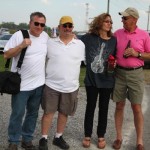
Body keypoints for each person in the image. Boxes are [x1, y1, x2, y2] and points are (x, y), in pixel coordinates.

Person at [3, 12, 49, 150]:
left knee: (33, 114)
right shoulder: (19, 35)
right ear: (30, 23)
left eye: (42, 24)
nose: (39, 27)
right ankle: (13, 141)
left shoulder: (45, 37)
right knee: (17, 113)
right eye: (36, 23)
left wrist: (73, 37)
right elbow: (6, 55)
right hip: (21, 85)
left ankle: (27, 139)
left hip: (38, 84)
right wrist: (21, 46)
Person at [38, 16, 85, 150]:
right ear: (59, 27)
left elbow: (87, 61)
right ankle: (44, 138)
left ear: (73, 28)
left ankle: (58, 137)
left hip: (71, 86)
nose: (67, 28)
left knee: (64, 113)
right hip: (51, 85)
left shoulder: (80, 45)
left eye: (70, 26)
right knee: (48, 112)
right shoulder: (50, 43)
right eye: (64, 26)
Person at [112, 7, 150, 150]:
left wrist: (137, 54)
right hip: (119, 73)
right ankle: (118, 137)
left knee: (136, 107)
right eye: (122, 18)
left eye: (125, 18)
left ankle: (139, 141)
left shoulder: (144, 35)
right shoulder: (117, 34)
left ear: (134, 19)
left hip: (136, 74)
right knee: (119, 105)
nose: (122, 20)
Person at [80, 13, 117, 149]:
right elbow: (75, 42)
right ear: (99, 23)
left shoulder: (113, 40)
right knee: (90, 107)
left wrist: (115, 63)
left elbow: (116, 56)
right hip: (91, 80)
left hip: (107, 79)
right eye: (107, 21)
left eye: (111, 22)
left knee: (104, 109)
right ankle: (87, 135)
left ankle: (101, 135)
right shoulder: (88, 38)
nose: (110, 24)